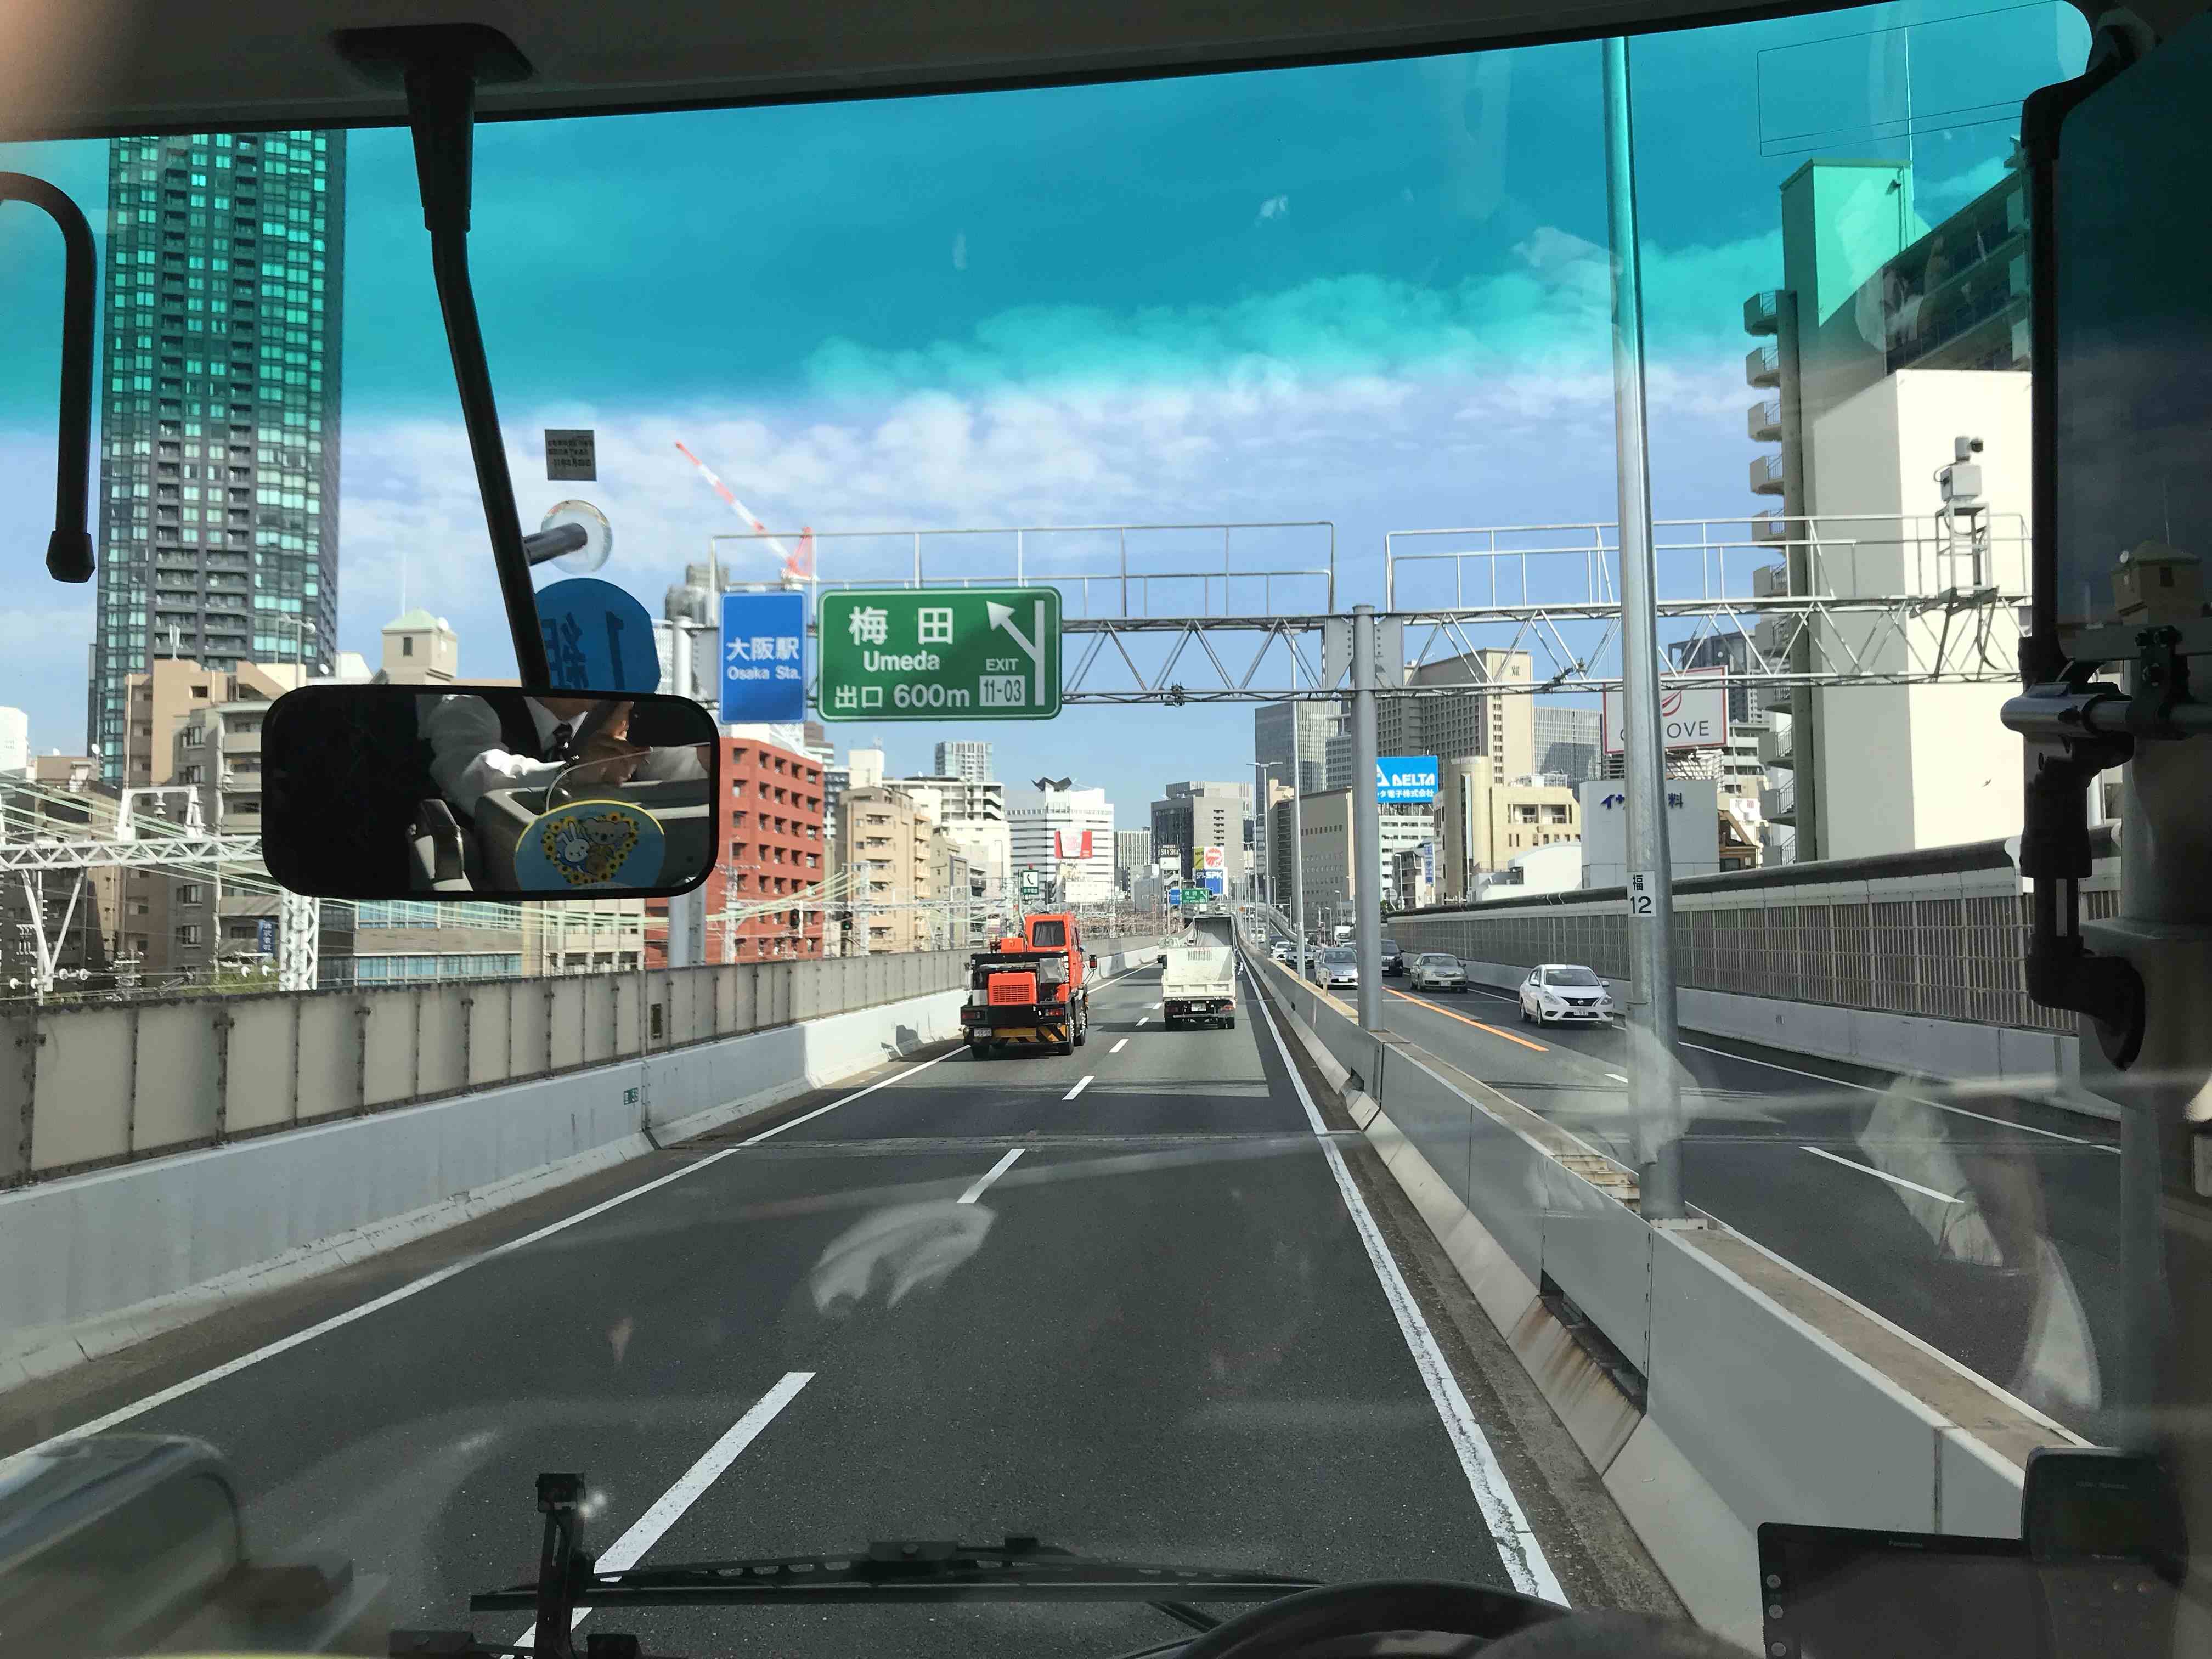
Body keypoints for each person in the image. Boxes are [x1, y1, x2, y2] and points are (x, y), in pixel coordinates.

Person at [422, 693, 707, 821]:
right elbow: (476, 777)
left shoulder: (633, 714)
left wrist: (709, 759)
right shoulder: (470, 706)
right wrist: (573, 774)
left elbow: (684, 780)